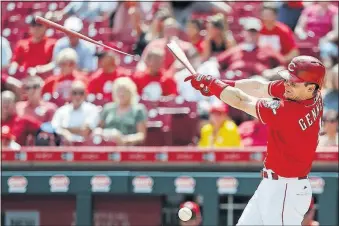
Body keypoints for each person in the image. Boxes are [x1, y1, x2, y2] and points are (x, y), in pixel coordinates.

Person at [184, 55, 326, 225]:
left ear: (311, 88)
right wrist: (218, 83)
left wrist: (213, 86)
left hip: (286, 191)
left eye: (293, 83)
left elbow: (241, 100)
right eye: (288, 79)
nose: (287, 85)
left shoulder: (289, 112)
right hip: (272, 185)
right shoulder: (306, 94)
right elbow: (259, 87)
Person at [217, 17, 285, 80]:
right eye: (249, 31)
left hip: (257, 81)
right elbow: (217, 63)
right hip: (234, 79)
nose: (252, 34)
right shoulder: (235, 49)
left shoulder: (267, 49)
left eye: (254, 32)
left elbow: (283, 66)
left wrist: (271, 72)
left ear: (259, 34)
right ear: (244, 32)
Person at [93, 77, 147, 146]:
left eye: (125, 91)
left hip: (128, 147)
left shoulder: (138, 109)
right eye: (119, 90)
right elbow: (99, 128)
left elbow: (141, 136)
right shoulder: (108, 108)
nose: (121, 94)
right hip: (107, 144)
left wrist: (123, 139)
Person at [9, 12, 56, 77]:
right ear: (29, 27)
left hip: (44, 78)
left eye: (40, 24)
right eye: (33, 24)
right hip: (25, 78)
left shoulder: (53, 43)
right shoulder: (21, 44)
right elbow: (15, 62)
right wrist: (15, 70)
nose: (36, 27)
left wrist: (40, 69)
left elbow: (55, 63)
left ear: (46, 26)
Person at [294, 2, 338, 68]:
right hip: (308, 41)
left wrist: (324, 40)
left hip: (326, 41)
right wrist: (304, 36)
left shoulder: (335, 11)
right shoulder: (309, 10)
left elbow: (336, 31)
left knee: (326, 51)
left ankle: (325, 74)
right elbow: (299, 28)